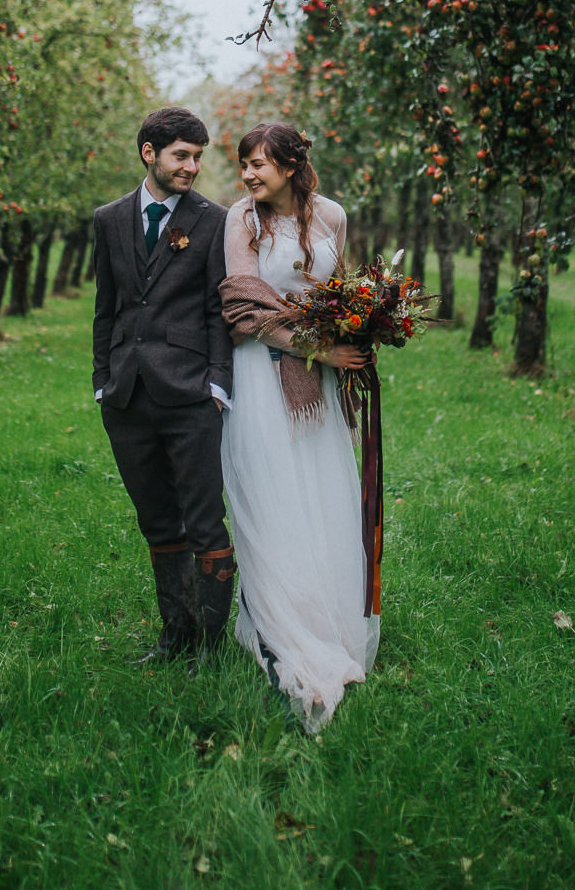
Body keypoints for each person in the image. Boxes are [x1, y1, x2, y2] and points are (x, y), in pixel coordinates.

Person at [218, 122, 380, 731]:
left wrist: (359, 329)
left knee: (324, 499)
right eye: (244, 164)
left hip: (322, 385)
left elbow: (339, 293)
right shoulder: (243, 220)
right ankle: (280, 626)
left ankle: (327, 614)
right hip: (263, 377)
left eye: (260, 164)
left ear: (291, 166)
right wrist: (318, 350)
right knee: (275, 502)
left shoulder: (332, 216)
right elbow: (243, 308)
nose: (249, 175)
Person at [92, 107, 234, 663]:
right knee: (156, 520)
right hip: (127, 396)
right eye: (182, 155)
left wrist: (218, 385)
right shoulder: (108, 219)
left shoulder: (213, 220)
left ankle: (212, 645)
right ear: (149, 152)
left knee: (203, 521)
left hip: (191, 394)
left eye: (198, 157)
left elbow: (217, 311)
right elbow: (106, 307)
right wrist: (102, 381)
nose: (192, 166)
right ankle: (176, 635)